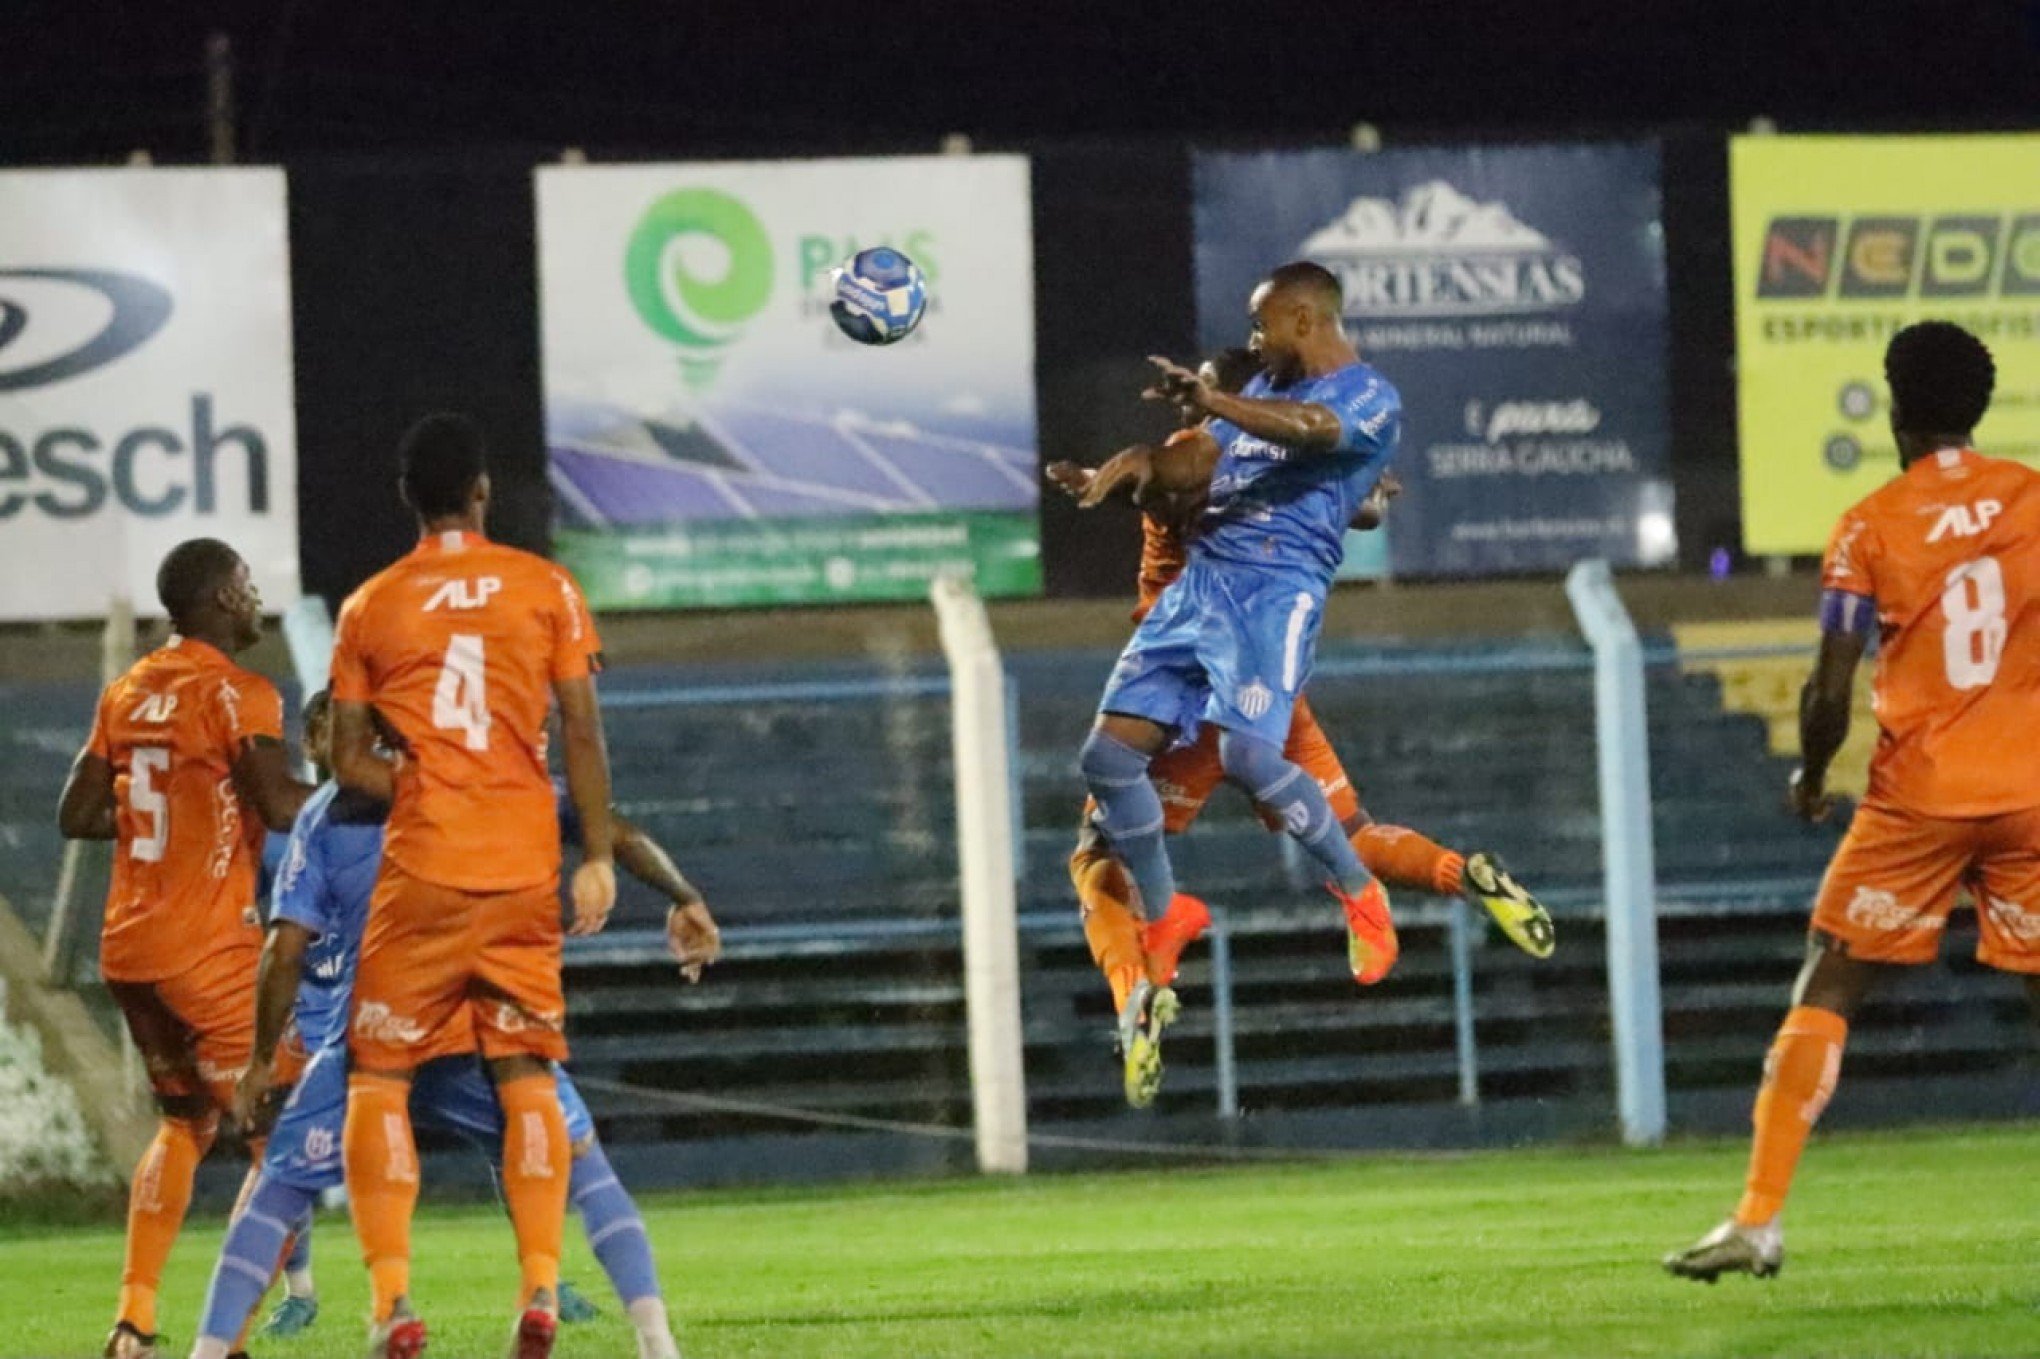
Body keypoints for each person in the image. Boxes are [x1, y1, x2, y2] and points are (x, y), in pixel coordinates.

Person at [1049, 348, 1554, 1107]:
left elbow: (1161, 478)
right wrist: (1371, 489)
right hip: (1268, 681)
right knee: (1349, 827)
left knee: (1095, 857)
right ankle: (1461, 872)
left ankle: (1137, 992)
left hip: (1179, 695)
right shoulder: (1284, 467)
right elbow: (1358, 502)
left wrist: (1104, 482)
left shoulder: (1199, 452)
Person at [1665, 321, 2040, 1282]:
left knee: (1832, 977)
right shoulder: (2034, 500)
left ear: (1895, 406)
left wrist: (1812, 773)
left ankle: (1756, 1218)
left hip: (1920, 797)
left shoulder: (1870, 524)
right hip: (2033, 789)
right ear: (1981, 408)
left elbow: (1829, 688)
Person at [189, 692, 718, 1359]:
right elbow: (617, 831)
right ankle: (637, 1331)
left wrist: (262, 1058)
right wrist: (687, 897)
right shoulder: (493, 781)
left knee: (279, 1190)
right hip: (483, 1026)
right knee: (585, 1169)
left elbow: (284, 946)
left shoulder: (324, 817)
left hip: (372, 1031)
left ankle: (364, 1308)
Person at [328, 412, 618, 1358]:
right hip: (524, 867)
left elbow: (345, 758)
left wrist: (414, 780)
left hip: (425, 867)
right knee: (526, 1067)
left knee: (379, 1073)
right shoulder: (547, 586)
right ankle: (539, 1288)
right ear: (483, 490)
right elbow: (581, 728)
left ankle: (393, 1302)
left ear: (408, 498)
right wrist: (599, 855)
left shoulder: (371, 604)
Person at [57, 538, 311, 1359]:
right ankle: (223, 1337)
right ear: (213, 600)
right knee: (294, 1133)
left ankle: (132, 1322)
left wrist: (166, 823)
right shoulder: (239, 693)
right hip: (205, 950)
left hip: (131, 949)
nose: (253, 597)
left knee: (184, 1124)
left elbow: (78, 811)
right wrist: (377, 792)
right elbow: (278, 804)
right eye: (242, 584)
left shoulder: (126, 690)